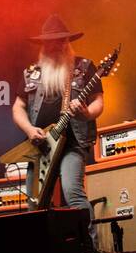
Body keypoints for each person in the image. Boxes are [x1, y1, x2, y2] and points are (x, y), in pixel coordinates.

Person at [11, 14, 105, 209]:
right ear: (43, 45)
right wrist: (29, 129)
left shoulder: (83, 67)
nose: (56, 46)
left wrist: (86, 113)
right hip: (41, 147)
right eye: (50, 42)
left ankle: (88, 240)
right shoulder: (32, 73)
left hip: (72, 144)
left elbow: (98, 101)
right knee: (35, 206)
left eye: (60, 41)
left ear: (67, 42)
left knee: (73, 194)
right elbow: (18, 107)